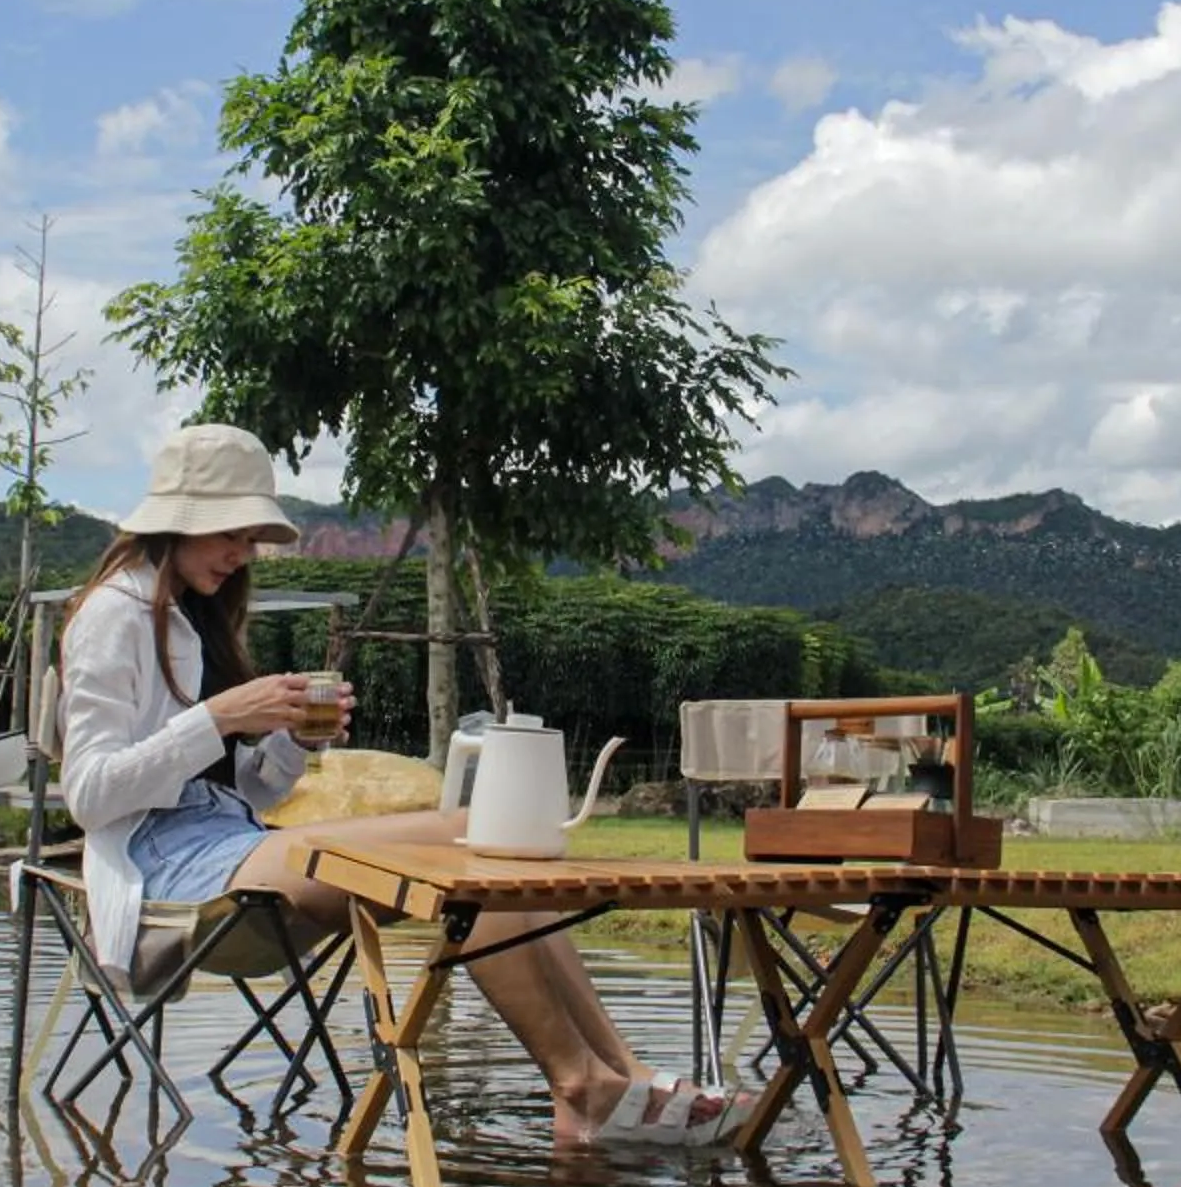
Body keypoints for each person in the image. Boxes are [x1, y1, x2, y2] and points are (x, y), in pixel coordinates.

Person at [55, 422, 741, 1148]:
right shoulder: (111, 614)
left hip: (230, 843)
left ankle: (615, 1071)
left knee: (491, 838)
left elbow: (239, 796)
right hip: (163, 867)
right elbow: (90, 794)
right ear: (178, 521)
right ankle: (581, 1085)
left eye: (254, 536)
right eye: (234, 532)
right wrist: (220, 717)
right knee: (474, 843)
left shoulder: (193, 618)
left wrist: (288, 745)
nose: (244, 554)